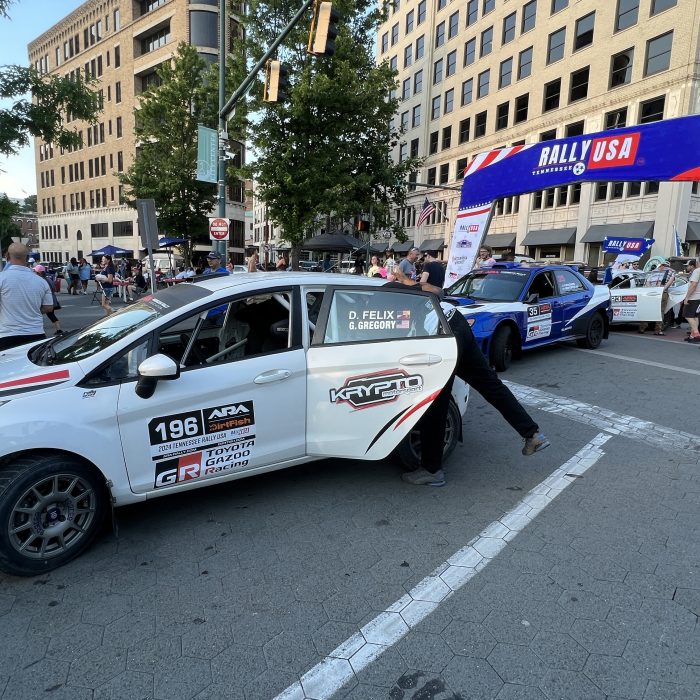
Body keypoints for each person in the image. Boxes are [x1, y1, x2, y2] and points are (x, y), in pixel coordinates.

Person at [386, 270, 549, 486]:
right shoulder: (402, 287)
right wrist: (408, 282)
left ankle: (432, 470)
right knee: (490, 384)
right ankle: (532, 433)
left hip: (441, 336)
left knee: (435, 403)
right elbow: (439, 291)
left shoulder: (378, 298)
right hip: (455, 320)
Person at [0, 243, 54, 350]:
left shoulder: (2, 278)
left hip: (7, 335)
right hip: (36, 334)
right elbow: (49, 307)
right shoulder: (41, 281)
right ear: (28, 257)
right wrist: (31, 310)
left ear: (7, 256)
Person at [639, 260, 675, 335]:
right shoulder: (671, 271)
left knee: (648, 309)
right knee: (660, 311)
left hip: (651, 293)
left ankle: (642, 327)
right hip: (662, 293)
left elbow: (647, 282)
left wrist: (652, 290)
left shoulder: (653, 272)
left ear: (660, 265)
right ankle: (658, 330)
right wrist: (662, 290)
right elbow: (670, 282)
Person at [33, 265, 63, 335]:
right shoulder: (48, 279)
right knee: (51, 314)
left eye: (35, 272)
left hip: (44, 299)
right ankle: (58, 329)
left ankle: (37, 328)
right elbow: (54, 288)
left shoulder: (40, 280)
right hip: (52, 298)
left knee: (38, 313)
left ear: (39, 273)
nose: (34, 273)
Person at [682, 258, 700, 343]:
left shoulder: (697, 271)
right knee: (695, 316)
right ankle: (693, 335)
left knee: (688, 316)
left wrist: (687, 297)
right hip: (698, 297)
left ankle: (696, 335)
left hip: (693, 297)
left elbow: (694, 285)